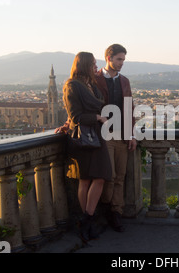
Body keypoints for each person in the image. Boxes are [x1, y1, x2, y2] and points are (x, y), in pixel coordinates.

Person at [58, 51, 112, 242]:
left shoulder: (92, 86)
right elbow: (75, 116)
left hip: (96, 136)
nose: (96, 67)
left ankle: (85, 220)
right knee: (85, 180)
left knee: (100, 178)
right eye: (93, 64)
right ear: (84, 65)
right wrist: (97, 117)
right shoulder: (72, 86)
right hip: (83, 138)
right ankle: (88, 221)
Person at [96, 44, 137, 232]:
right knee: (109, 176)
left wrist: (131, 134)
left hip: (121, 134)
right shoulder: (95, 79)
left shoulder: (125, 81)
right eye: (119, 59)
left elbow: (129, 108)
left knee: (120, 175)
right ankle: (107, 209)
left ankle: (116, 212)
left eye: (123, 60)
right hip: (105, 134)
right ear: (108, 58)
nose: (121, 64)